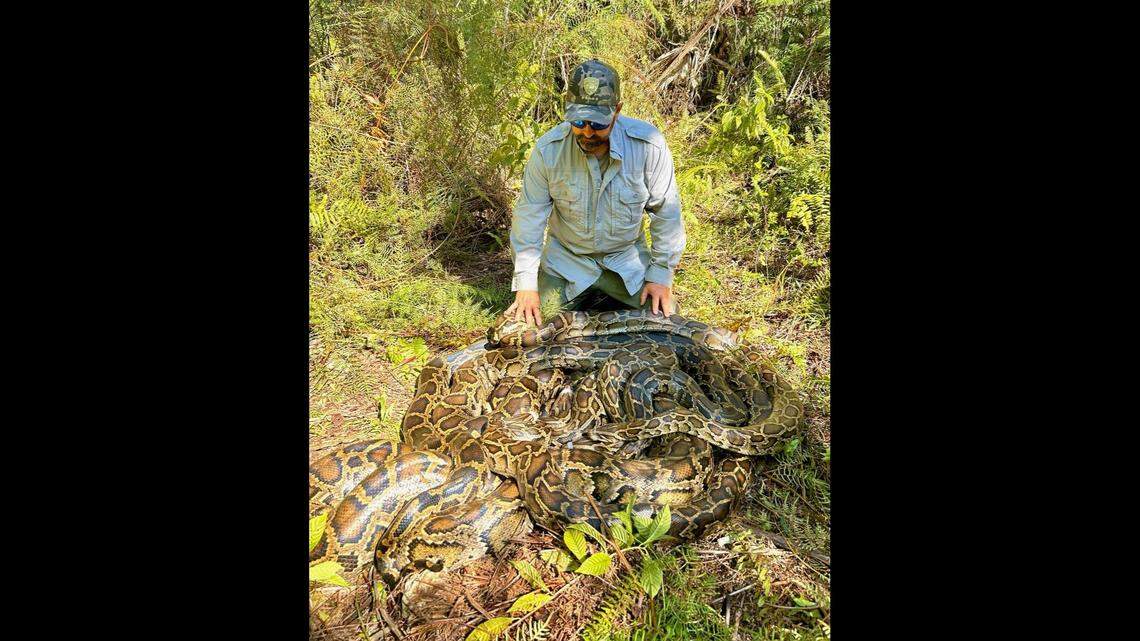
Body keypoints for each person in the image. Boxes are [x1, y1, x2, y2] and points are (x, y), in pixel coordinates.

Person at [505, 58, 685, 326]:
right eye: (578, 121)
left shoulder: (649, 146)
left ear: (617, 110)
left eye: (598, 123)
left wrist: (660, 275)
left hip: (626, 263)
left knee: (664, 322)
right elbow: (529, 218)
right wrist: (526, 285)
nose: (587, 131)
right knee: (530, 326)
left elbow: (666, 215)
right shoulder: (548, 151)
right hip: (567, 262)